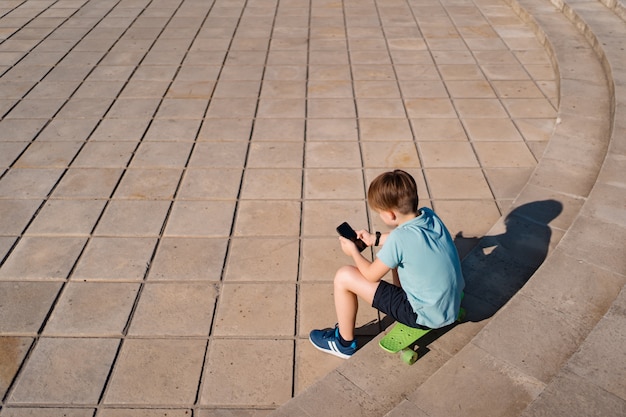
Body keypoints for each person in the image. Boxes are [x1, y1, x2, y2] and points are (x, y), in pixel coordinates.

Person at [309, 169, 465, 358]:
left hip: (422, 316)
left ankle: (343, 343)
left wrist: (354, 252)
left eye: (380, 213)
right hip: (449, 304)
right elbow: (405, 239)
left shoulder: (399, 239)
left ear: (390, 215)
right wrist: (373, 239)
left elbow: (370, 275)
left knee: (344, 276)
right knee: (395, 258)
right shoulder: (429, 216)